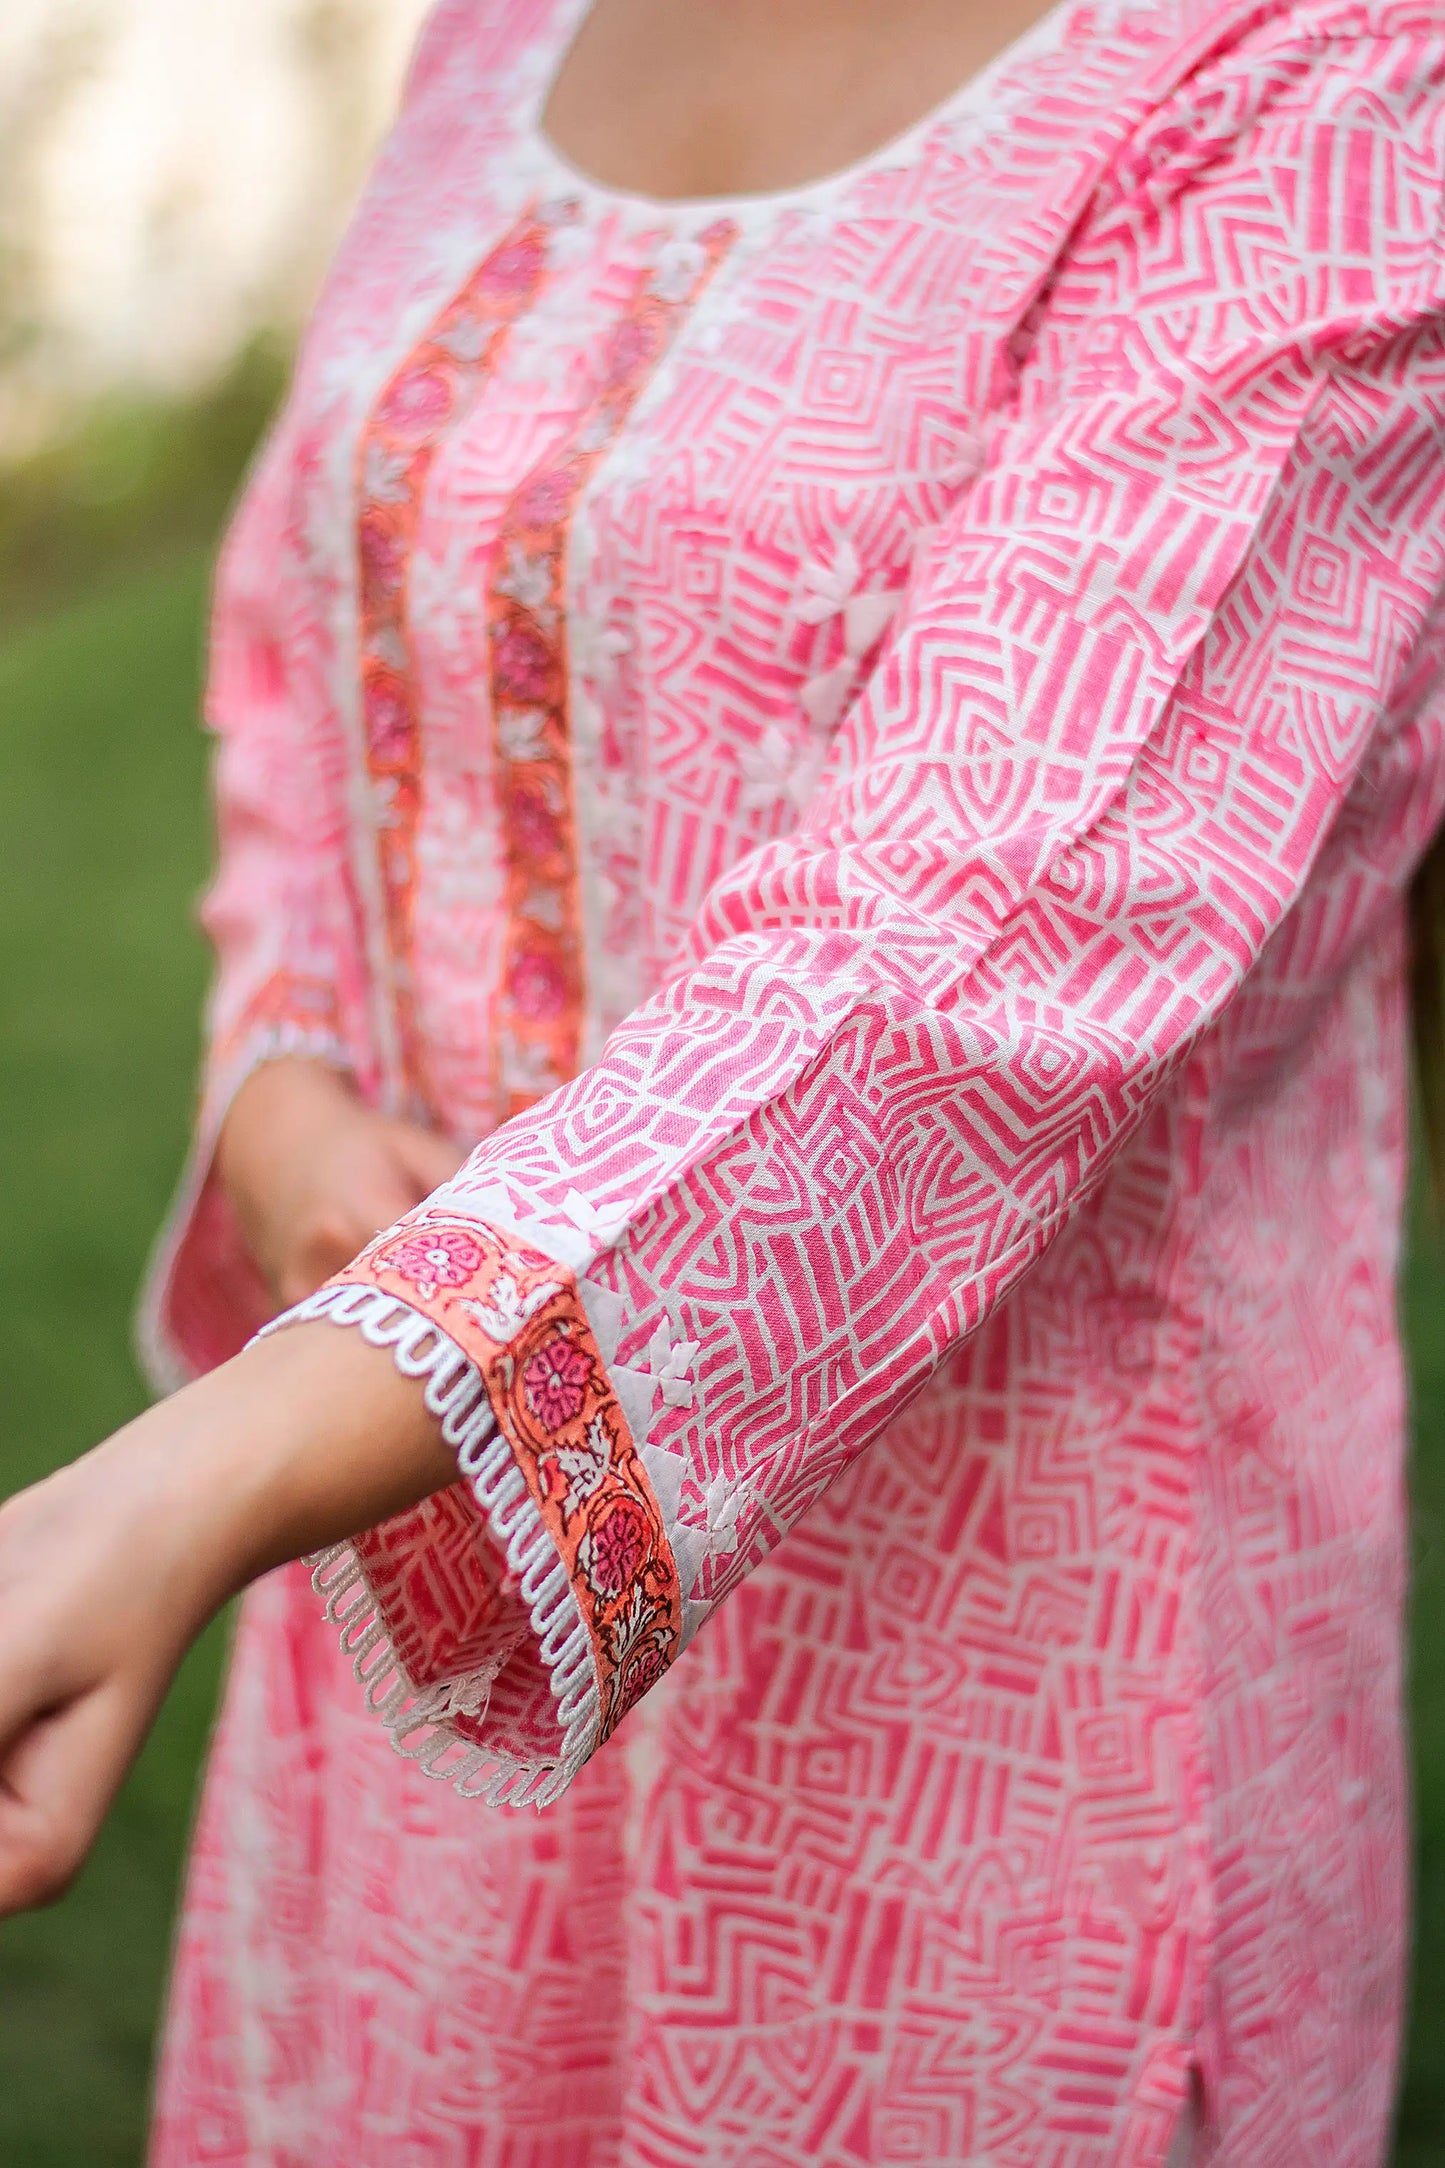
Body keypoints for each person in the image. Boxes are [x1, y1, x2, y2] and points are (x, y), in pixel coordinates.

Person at [2, 0, 1443, 2158]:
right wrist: (279, 1089)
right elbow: (307, 665)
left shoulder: (1323, 85)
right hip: (408, 1619)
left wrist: (193, 1475)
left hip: (992, 1714)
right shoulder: (504, 32)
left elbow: (965, 942)